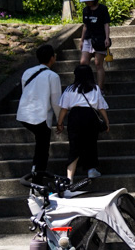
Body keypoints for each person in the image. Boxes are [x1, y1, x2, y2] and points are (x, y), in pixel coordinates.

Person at [56, 64, 109, 181]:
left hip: (74, 117)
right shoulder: (95, 88)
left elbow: (64, 109)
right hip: (91, 117)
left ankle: (70, 177)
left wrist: (59, 123)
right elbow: (101, 108)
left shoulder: (70, 89)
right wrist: (106, 122)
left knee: (74, 146)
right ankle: (91, 170)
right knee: (91, 143)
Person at [16, 44, 62, 174]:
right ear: (52, 58)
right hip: (40, 116)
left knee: (40, 147)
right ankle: (37, 179)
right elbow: (56, 101)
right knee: (42, 150)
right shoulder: (52, 76)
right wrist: (60, 121)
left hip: (25, 114)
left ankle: (36, 175)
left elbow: (25, 91)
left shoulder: (27, 72)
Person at [79, 0, 111, 93]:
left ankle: (100, 88)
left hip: (100, 38)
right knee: (83, 62)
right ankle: (85, 86)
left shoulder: (102, 8)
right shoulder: (85, 11)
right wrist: (81, 39)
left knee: (98, 64)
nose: (88, 2)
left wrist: (107, 38)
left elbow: (106, 24)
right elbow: (85, 26)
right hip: (88, 38)